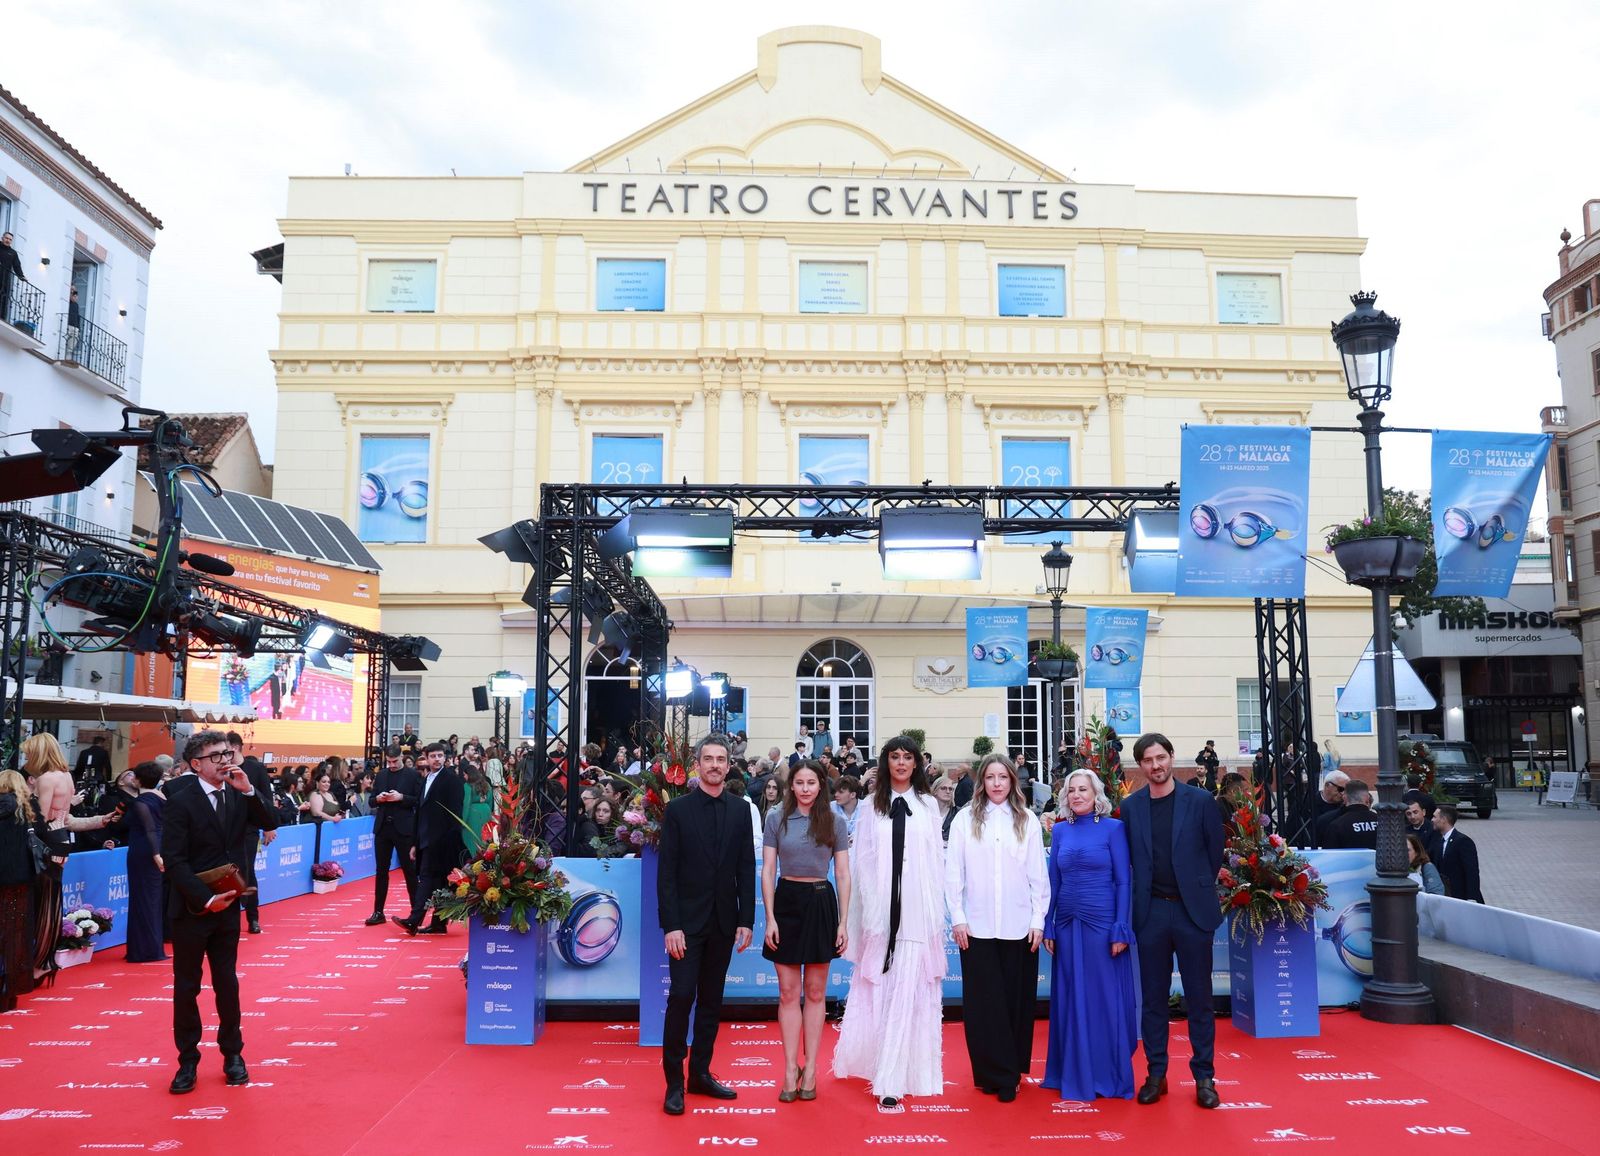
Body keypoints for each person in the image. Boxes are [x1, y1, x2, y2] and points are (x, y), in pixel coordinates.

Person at [161, 730, 278, 1094]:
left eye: (228, 753)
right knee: (187, 986)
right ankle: (187, 1061)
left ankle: (233, 1055)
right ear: (196, 764)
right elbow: (174, 861)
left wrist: (247, 790)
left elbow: (272, 821)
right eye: (216, 756)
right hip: (192, 909)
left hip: (229, 906)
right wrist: (204, 898)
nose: (225, 760)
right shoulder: (179, 800)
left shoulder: (238, 794)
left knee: (227, 983)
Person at [834, 735, 946, 1109]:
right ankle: (881, 1066)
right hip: (880, 913)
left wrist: (932, 915)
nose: (900, 763)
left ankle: (897, 1076)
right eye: (894, 757)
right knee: (881, 987)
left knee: (909, 990)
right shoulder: (870, 806)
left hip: (916, 909)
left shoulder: (928, 805)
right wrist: (870, 913)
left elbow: (935, 862)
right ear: (886, 763)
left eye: (907, 757)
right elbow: (862, 860)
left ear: (916, 763)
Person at [1119, 733, 1224, 1110]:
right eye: (1148, 760)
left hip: (1193, 912)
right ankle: (1156, 1073)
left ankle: (1204, 1077)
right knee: (1152, 1000)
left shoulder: (1200, 800)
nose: (1156, 766)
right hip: (1151, 913)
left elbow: (1215, 852)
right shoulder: (1131, 807)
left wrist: (1195, 889)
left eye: (1161, 758)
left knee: (1199, 998)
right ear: (1140, 766)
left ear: (1172, 758)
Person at [657, 735, 756, 1116]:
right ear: (697, 766)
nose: (715, 765)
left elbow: (746, 867)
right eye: (708, 759)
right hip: (685, 925)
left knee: (712, 1001)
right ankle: (673, 1083)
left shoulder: (741, 810)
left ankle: (700, 1074)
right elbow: (667, 874)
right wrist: (671, 925)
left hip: (722, 922)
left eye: (721, 759)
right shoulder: (678, 811)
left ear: (729, 766)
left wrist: (746, 918)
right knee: (681, 997)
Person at [947, 753, 1047, 1103]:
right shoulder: (964, 820)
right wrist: (957, 916)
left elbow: (1038, 875)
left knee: (1015, 1000)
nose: (997, 784)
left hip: (1019, 925)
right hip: (977, 926)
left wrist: (1038, 919)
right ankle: (990, 1073)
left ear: (1012, 781)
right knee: (982, 1004)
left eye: (1003, 777)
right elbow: (953, 873)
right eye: (990, 778)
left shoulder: (1027, 820)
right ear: (982, 783)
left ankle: (1010, 1073)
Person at [1043, 768, 1137, 1102]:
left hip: (1102, 924)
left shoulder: (1114, 828)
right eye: (1072, 791)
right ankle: (1071, 1072)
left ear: (1096, 794)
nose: (1078, 795)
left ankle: (1105, 1073)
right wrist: (1049, 923)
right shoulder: (1061, 831)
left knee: (1102, 999)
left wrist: (1120, 927)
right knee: (1071, 997)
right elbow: (1054, 881)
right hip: (1067, 924)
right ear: (1066, 797)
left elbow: (1124, 881)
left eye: (1083, 789)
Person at [761, 760, 850, 1102]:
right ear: (791, 786)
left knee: (815, 992)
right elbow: (768, 871)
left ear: (820, 785)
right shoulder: (775, 819)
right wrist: (769, 917)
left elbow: (842, 873)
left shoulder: (835, 820)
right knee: (787, 992)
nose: (806, 789)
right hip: (785, 903)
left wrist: (843, 921)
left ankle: (811, 1067)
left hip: (820, 902)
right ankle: (788, 1067)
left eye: (812, 782)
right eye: (799, 782)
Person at [394, 743, 463, 935]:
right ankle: (438, 923)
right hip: (426, 840)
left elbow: (456, 814)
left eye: (440, 756)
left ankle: (414, 921)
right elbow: (420, 812)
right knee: (440, 882)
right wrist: (415, 842)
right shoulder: (426, 779)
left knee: (426, 879)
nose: (437, 759)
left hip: (443, 842)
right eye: (433, 756)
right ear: (426, 758)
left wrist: (448, 840)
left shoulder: (452, 780)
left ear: (445, 757)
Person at [0, 770, 49, 1012]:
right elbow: (44, 838)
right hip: (22, 880)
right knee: (16, 936)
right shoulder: (27, 810)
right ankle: (12, 992)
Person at [367, 745, 422, 927]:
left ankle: (416, 913)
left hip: (404, 829)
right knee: (381, 870)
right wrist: (379, 799)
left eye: (394, 761)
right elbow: (371, 800)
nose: (391, 765)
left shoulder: (412, 775)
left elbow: (419, 800)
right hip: (383, 828)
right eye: (388, 762)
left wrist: (401, 798)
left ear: (401, 757)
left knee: (409, 871)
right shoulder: (381, 775)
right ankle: (378, 911)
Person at [124, 761, 168, 964]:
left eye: (134, 775)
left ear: (139, 780)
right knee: (151, 899)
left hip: (144, 852)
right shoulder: (161, 797)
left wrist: (156, 853)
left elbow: (150, 829)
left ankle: (145, 950)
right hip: (154, 849)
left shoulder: (140, 802)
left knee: (142, 899)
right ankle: (149, 947)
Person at [1432, 805, 1483, 903]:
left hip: (1461, 897)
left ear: (1443, 819)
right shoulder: (1438, 841)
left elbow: (1472, 872)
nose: (1432, 820)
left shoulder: (1463, 841)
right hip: (1445, 896)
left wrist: (1471, 897)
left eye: (1435, 817)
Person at [1324, 779, 1378, 850]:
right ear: (1367, 798)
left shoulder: (1336, 826)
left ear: (1345, 798)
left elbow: (1330, 856)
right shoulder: (1382, 821)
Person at [461, 765, 494, 853]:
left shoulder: (467, 785)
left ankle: (473, 860)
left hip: (473, 814)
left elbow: (466, 803)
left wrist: (463, 821)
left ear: (469, 775)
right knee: (484, 838)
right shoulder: (486, 784)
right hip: (486, 811)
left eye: (464, 775)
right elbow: (490, 801)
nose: (464, 777)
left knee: (473, 839)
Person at [1313, 770, 1351, 844]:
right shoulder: (1308, 803)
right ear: (1327, 785)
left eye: (1346, 790)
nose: (1343, 793)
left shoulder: (1346, 806)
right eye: (1340, 789)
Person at [0, 231, 26, 325]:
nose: (8, 240)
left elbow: (17, 266)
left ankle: (1, 318)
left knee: (3, 299)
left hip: (4, 281)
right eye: (6, 238)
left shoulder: (13, 253)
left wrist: (21, 276)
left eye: (10, 239)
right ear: (2, 238)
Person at [1404, 798, 1442, 862]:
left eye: (1415, 812)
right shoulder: (1404, 830)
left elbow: (1432, 851)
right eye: (1408, 814)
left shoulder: (1433, 829)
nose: (1412, 816)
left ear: (1423, 812)